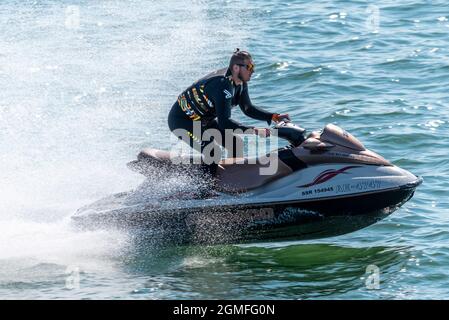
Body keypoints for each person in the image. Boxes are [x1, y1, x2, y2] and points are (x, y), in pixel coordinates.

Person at [168, 48, 290, 176]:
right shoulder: (222, 85)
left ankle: (233, 179)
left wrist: (273, 116)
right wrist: (253, 130)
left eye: (253, 66)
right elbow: (224, 123)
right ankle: (204, 190)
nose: (252, 70)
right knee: (212, 150)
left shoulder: (240, 82)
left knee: (235, 144)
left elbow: (247, 108)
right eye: (249, 66)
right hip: (182, 121)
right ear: (236, 68)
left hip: (204, 120)